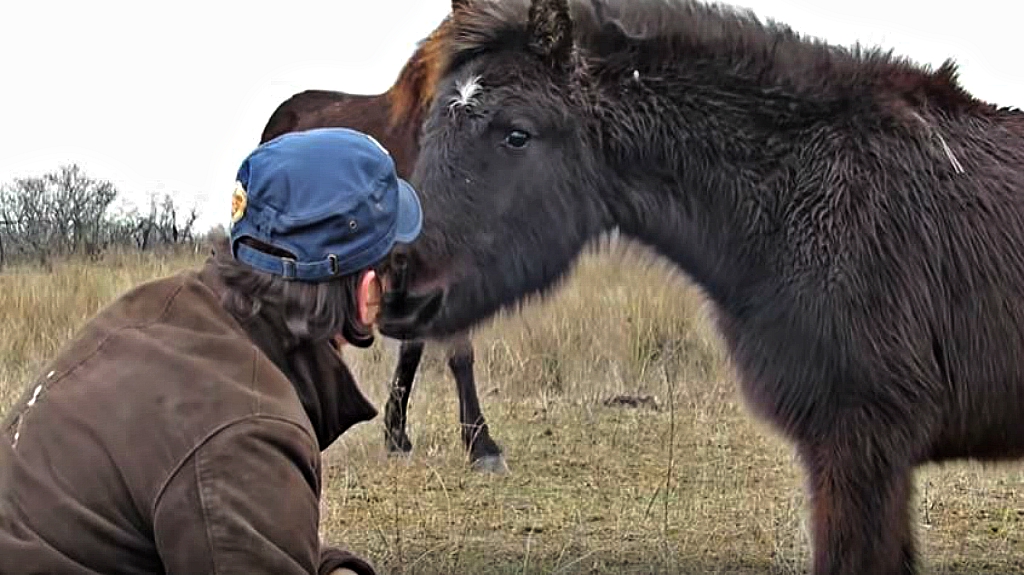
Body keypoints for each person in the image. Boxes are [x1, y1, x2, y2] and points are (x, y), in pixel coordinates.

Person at [0, 126, 424, 574]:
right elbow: (226, 485)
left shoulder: (159, 308)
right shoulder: (247, 430)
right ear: (367, 292)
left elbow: (211, 527)